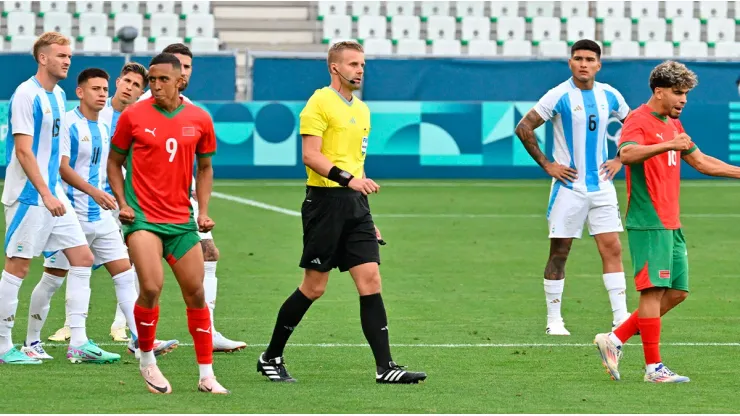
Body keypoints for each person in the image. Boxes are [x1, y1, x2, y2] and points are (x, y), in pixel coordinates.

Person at [256, 41, 427, 384]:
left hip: (355, 207)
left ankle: (386, 367)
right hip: (325, 203)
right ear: (335, 68)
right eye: (352, 64)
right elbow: (310, 155)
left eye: (362, 64)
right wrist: (348, 180)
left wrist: (367, 213)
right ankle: (271, 356)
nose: (360, 69)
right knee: (314, 287)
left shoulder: (363, 110)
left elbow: (357, 166)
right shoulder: (319, 102)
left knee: (371, 280)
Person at [594, 60, 740, 383]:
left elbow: (700, 161)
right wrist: (668, 144)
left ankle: (615, 339)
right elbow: (627, 154)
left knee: (677, 292)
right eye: (677, 93)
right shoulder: (638, 120)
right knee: (652, 292)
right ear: (658, 91)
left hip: (671, 222)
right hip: (649, 220)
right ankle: (653, 369)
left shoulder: (673, 124)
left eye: (686, 93)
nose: (683, 100)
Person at [107, 52, 228, 394]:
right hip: (143, 219)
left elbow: (205, 168)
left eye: (162, 79)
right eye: (152, 80)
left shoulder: (200, 119)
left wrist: (202, 210)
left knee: (196, 293)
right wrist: (123, 203)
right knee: (151, 287)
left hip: (181, 221)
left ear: (181, 82)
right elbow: (114, 163)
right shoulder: (133, 116)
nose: (155, 86)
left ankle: (206, 375)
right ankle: (147, 361)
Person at [47, 62, 180, 356]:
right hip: (77, 206)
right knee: (55, 274)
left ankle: (138, 337)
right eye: (126, 82)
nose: (129, 88)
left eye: (137, 85)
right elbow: (66, 164)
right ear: (118, 82)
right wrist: (95, 192)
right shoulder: (93, 116)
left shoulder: (134, 118)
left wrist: (125, 198)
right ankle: (51, 333)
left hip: (111, 206)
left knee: (122, 269)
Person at [0, 32, 114, 364]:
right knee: (18, 267)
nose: (66, 61)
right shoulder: (26, 94)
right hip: (28, 197)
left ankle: (78, 342)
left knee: (82, 258)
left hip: (53, 196)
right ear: (43, 58)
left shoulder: (59, 95)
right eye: (61, 55)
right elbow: (23, 151)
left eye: (69, 56)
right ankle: (4, 345)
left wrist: (55, 192)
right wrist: (46, 193)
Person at [515, 39, 631, 335]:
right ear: (570, 62)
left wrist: (620, 158)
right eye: (578, 58)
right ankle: (554, 320)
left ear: (598, 64)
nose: (583, 64)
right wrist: (548, 165)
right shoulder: (558, 95)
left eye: (589, 59)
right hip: (568, 187)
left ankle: (621, 318)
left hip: (602, 186)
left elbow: (633, 127)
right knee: (560, 251)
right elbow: (524, 127)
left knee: (612, 248)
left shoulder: (611, 95)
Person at [138, 43, 246, 353]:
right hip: (148, 202)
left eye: (188, 67)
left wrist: (199, 196)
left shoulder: (192, 109)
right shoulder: (142, 107)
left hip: (185, 201)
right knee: (142, 269)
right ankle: (134, 332)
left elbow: (202, 162)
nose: (184, 72)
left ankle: (209, 331)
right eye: (179, 67)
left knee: (209, 253)